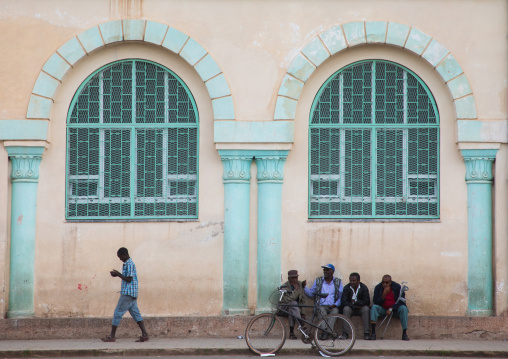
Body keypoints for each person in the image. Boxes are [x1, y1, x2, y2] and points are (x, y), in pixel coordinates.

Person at [101, 247, 149, 342]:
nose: (120, 259)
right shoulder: (128, 263)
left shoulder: (129, 264)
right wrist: (118, 274)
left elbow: (129, 279)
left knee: (117, 312)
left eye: (120, 257)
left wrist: (118, 274)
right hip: (132, 293)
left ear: (124, 255)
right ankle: (145, 334)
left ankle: (112, 336)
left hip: (128, 293)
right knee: (136, 314)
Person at [304, 264, 343, 340]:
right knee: (321, 311)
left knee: (335, 312)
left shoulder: (338, 282)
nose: (325, 271)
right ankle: (325, 332)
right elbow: (311, 293)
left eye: (327, 270)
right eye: (324, 270)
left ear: (332, 272)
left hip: (333, 306)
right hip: (321, 305)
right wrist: (304, 287)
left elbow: (340, 297)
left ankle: (327, 332)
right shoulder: (318, 281)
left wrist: (335, 304)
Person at [370, 274, 409, 341]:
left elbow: (402, 302)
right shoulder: (378, 287)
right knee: (374, 307)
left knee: (404, 308)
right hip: (383, 309)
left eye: (387, 282)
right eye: (383, 282)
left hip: (395, 310)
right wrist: (384, 294)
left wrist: (391, 308)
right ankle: (373, 333)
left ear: (390, 282)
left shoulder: (397, 287)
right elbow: (375, 301)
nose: (384, 284)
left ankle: (404, 333)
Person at [340, 272, 371, 340]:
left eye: (354, 281)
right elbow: (344, 302)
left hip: (361, 309)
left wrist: (356, 301)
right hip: (351, 308)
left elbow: (367, 302)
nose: (352, 282)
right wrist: (354, 306)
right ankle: (345, 333)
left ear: (358, 281)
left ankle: (366, 333)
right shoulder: (347, 288)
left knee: (366, 309)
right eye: (350, 280)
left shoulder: (363, 287)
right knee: (346, 309)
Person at [279, 270, 307, 339]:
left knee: (292, 310)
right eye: (293, 278)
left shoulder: (300, 284)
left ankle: (291, 333)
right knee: (293, 304)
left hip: (294, 309)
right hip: (284, 307)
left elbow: (303, 300)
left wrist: (303, 313)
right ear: (289, 279)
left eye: (296, 278)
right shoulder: (284, 286)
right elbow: (288, 300)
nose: (295, 280)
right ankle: (302, 325)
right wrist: (296, 290)